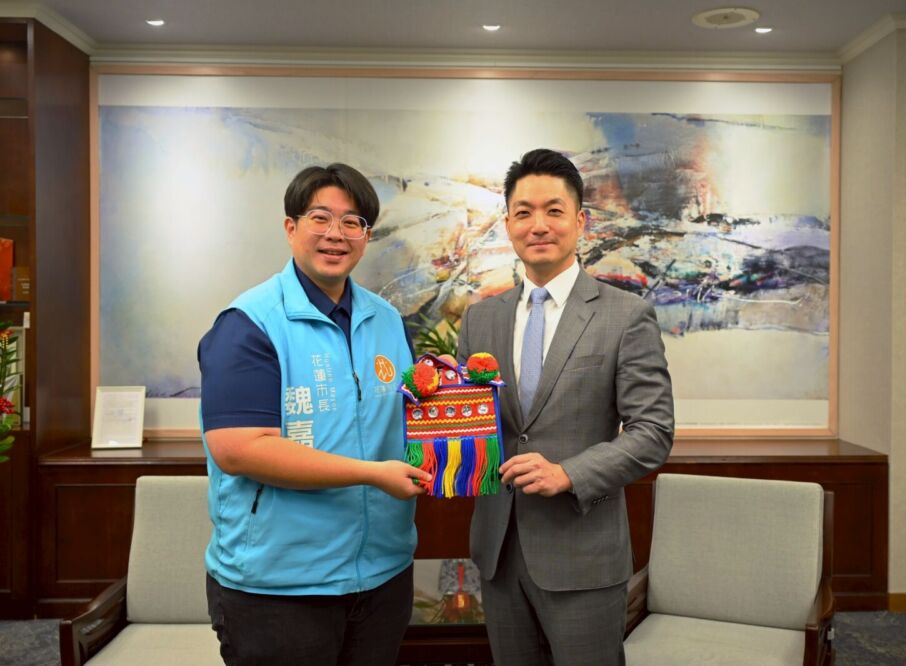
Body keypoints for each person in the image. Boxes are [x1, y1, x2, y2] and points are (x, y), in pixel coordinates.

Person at [198, 163, 431, 666]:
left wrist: (453, 408)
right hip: (279, 588)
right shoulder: (249, 324)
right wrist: (372, 474)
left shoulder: (387, 320)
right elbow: (239, 449)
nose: (335, 234)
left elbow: (407, 416)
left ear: (366, 236)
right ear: (291, 227)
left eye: (352, 222)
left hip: (383, 575)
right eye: (320, 218)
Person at [456, 148, 674, 665]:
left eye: (554, 210)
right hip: (498, 552)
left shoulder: (625, 315)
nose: (538, 225)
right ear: (508, 225)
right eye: (524, 212)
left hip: (583, 555)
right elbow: (473, 424)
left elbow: (652, 431)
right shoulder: (480, 320)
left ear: (580, 222)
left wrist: (568, 473)